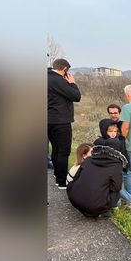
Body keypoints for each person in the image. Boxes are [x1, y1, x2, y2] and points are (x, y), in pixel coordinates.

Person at [67, 138, 131, 218]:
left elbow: (76, 178)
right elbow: (117, 187)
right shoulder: (116, 165)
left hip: (75, 200)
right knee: (116, 191)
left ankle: (93, 208)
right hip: (94, 206)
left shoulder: (89, 159)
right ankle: (105, 211)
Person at [48, 58, 81, 189]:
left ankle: (57, 176)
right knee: (63, 151)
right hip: (60, 121)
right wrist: (72, 83)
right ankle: (62, 182)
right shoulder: (59, 80)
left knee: (55, 149)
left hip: (47, 120)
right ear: (65, 69)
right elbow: (76, 96)